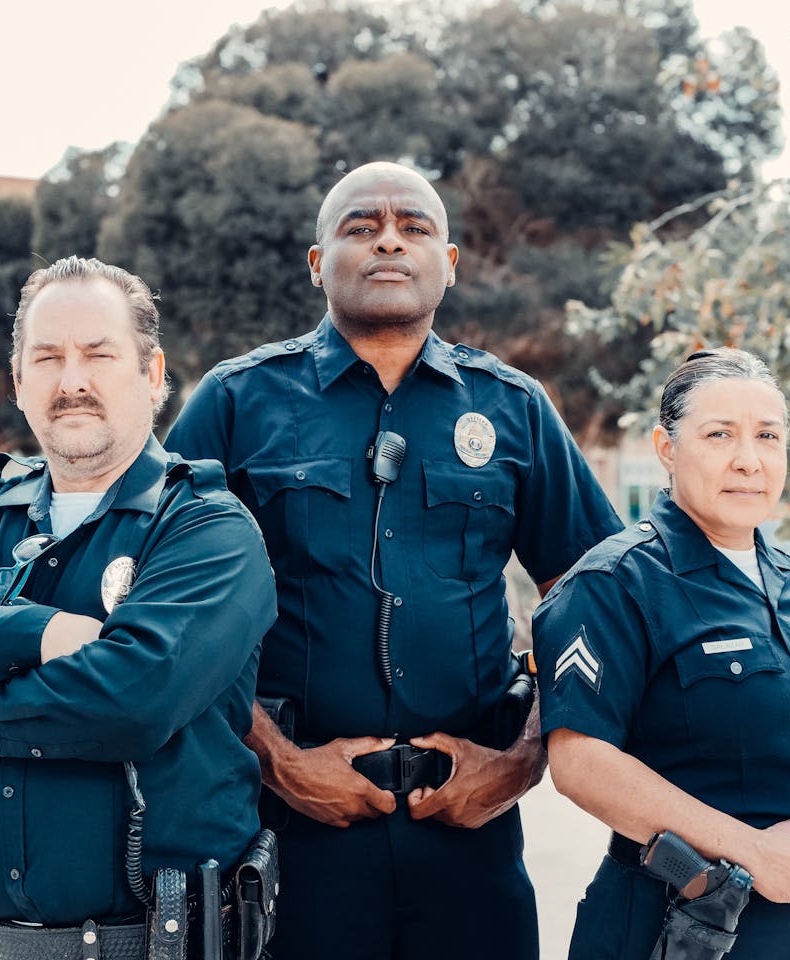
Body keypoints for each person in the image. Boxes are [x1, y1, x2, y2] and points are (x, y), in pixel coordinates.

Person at [163, 161, 623, 960]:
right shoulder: (236, 404)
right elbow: (165, 613)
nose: (387, 241)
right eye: (359, 226)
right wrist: (273, 757)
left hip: (468, 827)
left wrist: (522, 759)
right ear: (317, 263)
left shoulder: (511, 407)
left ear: (448, 262)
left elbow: (594, 601)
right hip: (288, 829)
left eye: (414, 227)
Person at [0, 256, 277, 960]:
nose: (71, 380)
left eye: (98, 355)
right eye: (47, 357)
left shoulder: (209, 530)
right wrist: (37, 632)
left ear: (153, 372)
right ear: (19, 382)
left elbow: (130, 698)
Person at [533, 348, 790, 960]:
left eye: (768, 436)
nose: (748, 460)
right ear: (666, 448)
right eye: (719, 435)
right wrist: (750, 850)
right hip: (680, 928)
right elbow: (581, 762)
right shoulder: (615, 582)